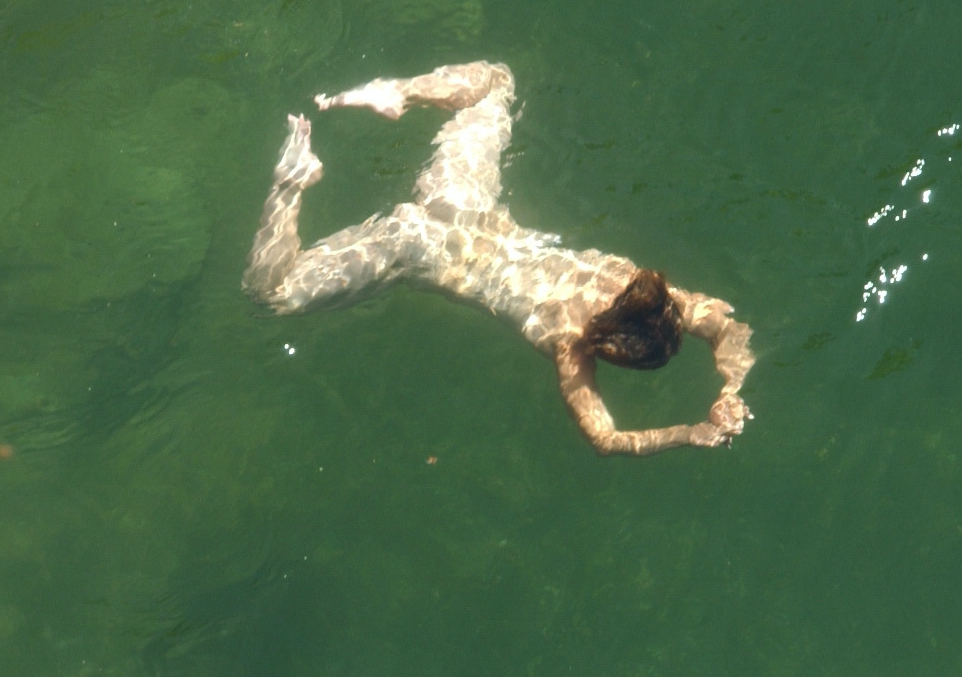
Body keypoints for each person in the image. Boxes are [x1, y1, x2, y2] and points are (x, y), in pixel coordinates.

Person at [243, 62, 754, 455]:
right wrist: (693, 431)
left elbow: (727, 325)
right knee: (273, 296)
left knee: (496, 83)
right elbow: (608, 438)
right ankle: (290, 181)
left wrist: (733, 382)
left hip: (465, 204)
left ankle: (396, 92)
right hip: (418, 250)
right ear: (612, 350)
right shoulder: (570, 344)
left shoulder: (633, 283)